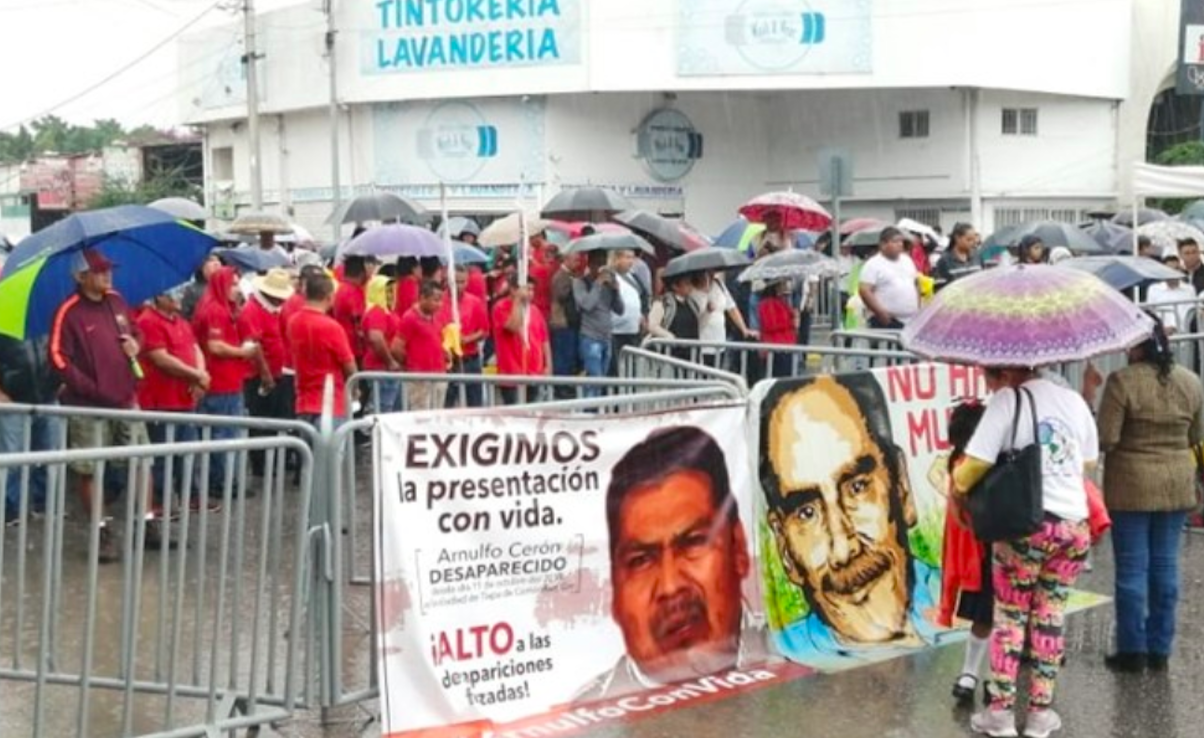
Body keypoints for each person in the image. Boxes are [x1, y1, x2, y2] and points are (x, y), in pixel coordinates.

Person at [761, 375, 950, 669]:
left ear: (902, 487)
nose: (843, 549)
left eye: (858, 487)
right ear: (784, 549)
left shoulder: (964, 601)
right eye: (807, 513)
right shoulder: (795, 652)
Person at [954, 366, 1098, 738]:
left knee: (1012, 618)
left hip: (1024, 526)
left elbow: (975, 466)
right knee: (1049, 616)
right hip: (1072, 526)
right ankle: (1040, 715)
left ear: (1010, 368)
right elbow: (1088, 463)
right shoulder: (1073, 401)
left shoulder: (1008, 400)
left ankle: (1000, 713)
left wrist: (955, 483)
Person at [576, 426, 759, 700]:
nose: (671, 586)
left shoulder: (792, 654)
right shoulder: (585, 715)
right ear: (614, 592)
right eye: (641, 561)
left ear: (739, 548)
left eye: (694, 543)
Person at [1090, 317, 1204, 673]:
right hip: (1176, 484)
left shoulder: (1122, 382)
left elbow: (1106, 438)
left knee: (1132, 569)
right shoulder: (1191, 381)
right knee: (1165, 565)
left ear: (1138, 346)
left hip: (1131, 487)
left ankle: (1131, 650)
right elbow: (1195, 435)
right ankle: (1159, 649)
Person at [49, 248, 156, 561]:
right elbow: (57, 357)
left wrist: (137, 343)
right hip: (89, 407)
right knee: (90, 469)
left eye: (108, 269)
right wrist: (90, 388)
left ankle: (148, 524)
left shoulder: (117, 300)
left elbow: (135, 330)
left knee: (143, 460)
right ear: (81, 277)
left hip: (126, 399)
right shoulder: (68, 311)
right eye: (99, 271)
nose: (107, 275)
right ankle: (101, 531)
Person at [137, 285, 216, 512]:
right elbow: (160, 358)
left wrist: (200, 375)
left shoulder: (180, 321)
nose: (181, 297)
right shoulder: (148, 321)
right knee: (161, 455)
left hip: (184, 398)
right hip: (160, 400)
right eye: (176, 294)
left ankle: (191, 497)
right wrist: (197, 375)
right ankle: (158, 502)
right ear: (160, 296)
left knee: (187, 452)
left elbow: (195, 348)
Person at [937, 397, 993, 706]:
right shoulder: (976, 465)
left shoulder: (956, 461)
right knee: (999, 615)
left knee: (985, 616)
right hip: (990, 549)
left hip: (976, 552)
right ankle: (985, 675)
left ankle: (969, 674)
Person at [192, 266, 258, 493]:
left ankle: (222, 480)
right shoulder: (215, 310)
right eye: (233, 284)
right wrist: (243, 353)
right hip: (221, 383)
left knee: (223, 433)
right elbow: (215, 346)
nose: (237, 289)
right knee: (224, 434)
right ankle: (221, 482)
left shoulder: (222, 307)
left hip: (226, 380)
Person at [238, 268, 295, 475]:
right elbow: (254, 345)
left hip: (277, 371)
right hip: (259, 376)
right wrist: (265, 375)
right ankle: (261, 464)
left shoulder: (273, 309)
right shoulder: (252, 311)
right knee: (261, 420)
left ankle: (276, 460)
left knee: (276, 417)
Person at [0, 334, 60, 523]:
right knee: (12, 457)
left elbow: (62, 351)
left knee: (50, 454)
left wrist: (62, 379)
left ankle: (44, 503)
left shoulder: (47, 325)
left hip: (47, 396)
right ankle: (12, 508)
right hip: (13, 400)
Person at [288, 270, 357, 425]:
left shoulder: (293, 322)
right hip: (331, 404)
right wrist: (355, 388)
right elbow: (349, 364)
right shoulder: (332, 327)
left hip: (303, 403)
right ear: (329, 297)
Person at [573, 250, 624, 396]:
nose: (600, 267)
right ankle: (589, 412)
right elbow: (587, 305)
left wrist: (616, 291)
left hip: (606, 337)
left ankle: (595, 410)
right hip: (590, 337)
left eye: (603, 263)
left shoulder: (609, 283)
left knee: (601, 380)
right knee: (595, 378)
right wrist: (597, 284)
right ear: (590, 264)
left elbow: (620, 310)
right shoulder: (580, 283)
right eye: (597, 263)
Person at [492, 280, 551, 405]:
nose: (530, 293)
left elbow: (544, 339)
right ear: (513, 290)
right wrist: (518, 301)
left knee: (531, 413)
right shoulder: (500, 307)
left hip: (534, 371)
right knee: (515, 415)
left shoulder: (535, 310)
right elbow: (512, 327)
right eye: (527, 289)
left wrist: (548, 365)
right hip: (511, 372)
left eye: (532, 290)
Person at [439, 265, 489, 409]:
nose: (459, 286)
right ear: (448, 281)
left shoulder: (474, 302)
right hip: (449, 360)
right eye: (456, 282)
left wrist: (468, 339)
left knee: (475, 404)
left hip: (470, 358)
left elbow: (484, 330)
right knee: (447, 404)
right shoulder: (440, 300)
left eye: (463, 282)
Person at [397, 279, 450, 411]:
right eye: (435, 300)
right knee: (420, 417)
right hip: (420, 379)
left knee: (437, 416)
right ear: (422, 298)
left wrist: (444, 354)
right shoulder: (409, 318)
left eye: (440, 300)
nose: (439, 304)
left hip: (439, 375)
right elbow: (396, 348)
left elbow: (436, 340)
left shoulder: (437, 316)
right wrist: (412, 364)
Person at [691, 271, 756, 369]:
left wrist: (744, 329)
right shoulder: (692, 289)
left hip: (720, 341)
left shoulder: (719, 284)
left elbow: (731, 307)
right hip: (703, 343)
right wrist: (706, 307)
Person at [858, 226, 919, 329]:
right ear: (883, 244)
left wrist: (918, 307)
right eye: (895, 241)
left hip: (910, 319)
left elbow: (915, 284)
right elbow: (865, 290)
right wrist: (880, 312)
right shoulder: (873, 264)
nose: (900, 244)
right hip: (887, 320)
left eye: (901, 241)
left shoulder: (907, 260)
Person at [363, 275, 402, 412]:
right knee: (382, 410)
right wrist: (390, 361)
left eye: (392, 291)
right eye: (386, 291)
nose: (390, 295)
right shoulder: (377, 311)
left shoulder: (387, 311)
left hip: (388, 369)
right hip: (381, 369)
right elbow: (376, 337)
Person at [609, 249, 648, 376]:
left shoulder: (634, 277)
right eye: (627, 257)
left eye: (632, 257)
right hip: (615, 331)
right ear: (617, 259)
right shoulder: (610, 276)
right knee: (616, 368)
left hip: (633, 330)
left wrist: (643, 314)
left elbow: (644, 296)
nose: (630, 261)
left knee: (632, 367)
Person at [549, 252, 583, 400]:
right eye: (575, 260)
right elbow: (561, 295)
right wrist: (573, 284)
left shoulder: (570, 276)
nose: (577, 263)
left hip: (570, 322)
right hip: (561, 322)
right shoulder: (561, 276)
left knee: (569, 356)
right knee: (562, 357)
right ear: (567, 260)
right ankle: (561, 387)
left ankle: (566, 385)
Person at [646, 273, 701, 362]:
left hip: (691, 354)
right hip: (671, 354)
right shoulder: (663, 303)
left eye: (691, 283)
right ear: (675, 286)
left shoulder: (692, 304)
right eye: (686, 283)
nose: (690, 286)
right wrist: (668, 336)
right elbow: (652, 326)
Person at [333, 255, 376, 365]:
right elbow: (359, 321)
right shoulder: (353, 291)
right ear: (362, 274)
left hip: (345, 344)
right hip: (354, 348)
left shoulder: (341, 288)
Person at [1145, 255, 1197, 334]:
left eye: (1176, 268)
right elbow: (1151, 314)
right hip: (1164, 336)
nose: (1173, 272)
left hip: (1185, 335)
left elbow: (1192, 313)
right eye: (1169, 269)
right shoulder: (1154, 290)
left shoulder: (1190, 289)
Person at [755, 281, 796, 378]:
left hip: (785, 345)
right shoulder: (767, 304)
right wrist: (790, 322)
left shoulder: (781, 301)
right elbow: (770, 324)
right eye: (783, 284)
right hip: (777, 346)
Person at [933, 223, 983, 290]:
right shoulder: (944, 261)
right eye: (969, 239)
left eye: (974, 239)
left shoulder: (977, 257)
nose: (973, 242)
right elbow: (939, 289)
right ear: (957, 238)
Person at [180, 253, 221, 320]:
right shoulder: (193, 290)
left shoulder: (225, 288)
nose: (217, 263)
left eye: (218, 260)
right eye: (211, 260)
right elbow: (185, 316)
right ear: (202, 266)